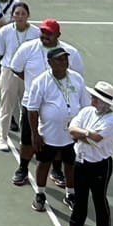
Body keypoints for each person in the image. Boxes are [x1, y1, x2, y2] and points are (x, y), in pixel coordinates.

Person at [8, 19, 85, 187]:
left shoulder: (71, 52)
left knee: (59, 140)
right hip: (31, 103)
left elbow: (78, 78)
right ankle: (23, 168)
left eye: (49, 33)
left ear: (58, 35)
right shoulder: (27, 48)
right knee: (28, 139)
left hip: (61, 106)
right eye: (43, 32)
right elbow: (16, 68)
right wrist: (35, 87)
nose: (45, 36)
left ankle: (56, 170)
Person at [24, 47, 88, 214]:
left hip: (72, 133)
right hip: (49, 133)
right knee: (44, 163)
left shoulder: (77, 79)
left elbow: (85, 106)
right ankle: (40, 194)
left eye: (65, 59)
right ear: (50, 63)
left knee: (71, 164)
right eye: (59, 59)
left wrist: (82, 130)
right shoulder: (41, 81)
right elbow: (32, 109)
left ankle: (70, 194)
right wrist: (35, 134)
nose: (63, 62)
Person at [66, 81, 113, 226]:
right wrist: (86, 134)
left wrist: (81, 134)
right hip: (81, 162)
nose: (92, 100)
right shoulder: (87, 111)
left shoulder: (111, 121)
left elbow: (95, 139)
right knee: (80, 198)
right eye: (93, 97)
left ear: (105, 103)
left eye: (96, 98)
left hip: (100, 166)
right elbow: (72, 129)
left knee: (99, 200)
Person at [0, 1, 38, 153]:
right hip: (9, 71)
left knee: (26, 107)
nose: (20, 17)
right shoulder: (4, 31)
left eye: (23, 14)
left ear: (28, 16)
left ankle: (24, 137)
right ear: (12, 15)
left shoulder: (36, 33)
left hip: (28, 73)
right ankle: (3, 137)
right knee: (7, 105)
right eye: (17, 13)